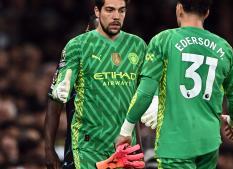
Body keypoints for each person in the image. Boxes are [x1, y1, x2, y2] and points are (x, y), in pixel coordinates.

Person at [116, 0, 233, 168]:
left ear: (179, 8)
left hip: (175, 144)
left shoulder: (163, 40)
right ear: (207, 13)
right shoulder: (225, 48)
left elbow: (145, 93)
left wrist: (126, 130)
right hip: (209, 144)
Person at [44, 0, 157, 168]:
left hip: (124, 146)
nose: (116, 16)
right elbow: (55, 101)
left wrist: (138, 146)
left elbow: (137, 100)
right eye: (110, 10)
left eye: (121, 11)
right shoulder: (78, 45)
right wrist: (48, 148)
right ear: (97, 11)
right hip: (87, 147)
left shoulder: (138, 45)